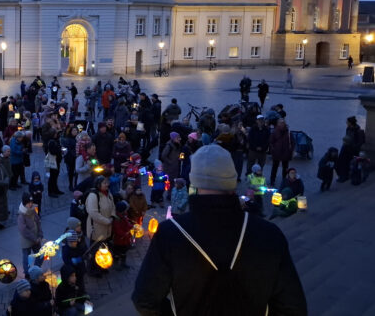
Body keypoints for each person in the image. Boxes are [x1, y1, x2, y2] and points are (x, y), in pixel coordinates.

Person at [132, 144, 307, 315]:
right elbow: (293, 307)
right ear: (232, 181)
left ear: (194, 183)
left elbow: (144, 299)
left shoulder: (170, 234)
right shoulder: (269, 234)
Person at [85, 176, 115, 275]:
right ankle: (92, 270)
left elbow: (112, 206)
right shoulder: (93, 196)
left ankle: (102, 266)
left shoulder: (108, 193)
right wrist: (107, 221)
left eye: (107, 182)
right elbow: (94, 214)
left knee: (104, 248)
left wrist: (112, 216)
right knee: (95, 250)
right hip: (97, 229)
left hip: (107, 228)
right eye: (104, 183)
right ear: (98, 185)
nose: (107, 185)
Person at [18, 192, 44, 277]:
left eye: (31, 202)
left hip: (36, 238)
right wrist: (34, 238)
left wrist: (40, 234)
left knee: (40, 254)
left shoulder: (33, 210)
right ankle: (27, 273)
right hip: (27, 240)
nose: (30, 204)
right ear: (25, 203)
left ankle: (36, 270)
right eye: (28, 203)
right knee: (27, 258)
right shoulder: (21, 215)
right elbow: (23, 230)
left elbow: (38, 222)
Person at [337, 116, 365, 183]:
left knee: (347, 163)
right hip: (346, 147)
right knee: (341, 161)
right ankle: (342, 175)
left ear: (350, 122)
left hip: (352, 150)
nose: (346, 123)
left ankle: (345, 176)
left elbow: (360, 142)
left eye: (347, 122)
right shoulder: (348, 128)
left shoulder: (358, 131)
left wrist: (354, 147)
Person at [269, 119, 294, 186]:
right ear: (278, 124)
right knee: (275, 167)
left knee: (285, 168)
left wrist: (291, 151)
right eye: (280, 123)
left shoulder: (288, 132)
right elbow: (271, 142)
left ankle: (284, 180)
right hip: (277, 153)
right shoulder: (275, 132)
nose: (282, 124)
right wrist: (273, 150)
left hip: (286, 153)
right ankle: (272, 180)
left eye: (283, 123)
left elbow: (292, 142)